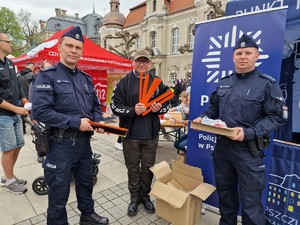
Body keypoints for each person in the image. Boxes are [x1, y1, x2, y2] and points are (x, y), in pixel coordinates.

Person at [193, 34, 287, 225]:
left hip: (248, 153)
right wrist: (203, 118)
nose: (243, 56)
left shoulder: (266, 84)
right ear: (233, 57)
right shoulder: (224, 82)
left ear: (256, 56)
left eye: (247, 53)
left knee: (251, 204)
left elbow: (277, 117)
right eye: (239, 53)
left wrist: (249, 132)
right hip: (222, 150)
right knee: (226, 196)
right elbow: (213, 109)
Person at [32, 26, 109, 225]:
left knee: (85, 184)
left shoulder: (85, 79)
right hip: (60, 145)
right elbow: (40, 112)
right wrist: (76, 122)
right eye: (69, 46)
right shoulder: (46, 76)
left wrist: (98, 120)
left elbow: (95, 106)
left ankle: (87, 216)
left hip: (84, 145)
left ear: (82, 51)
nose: (74, 50)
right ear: (60, 48)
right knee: (59, 194)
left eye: (78, 47)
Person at [110, 49, 169, 217]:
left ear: (150, 63)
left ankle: (145, 196)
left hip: (151, 134)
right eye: (139, 61)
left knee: (149, 168)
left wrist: (159, 109)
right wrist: (132, 110)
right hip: (130, 135)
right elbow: (114, 106)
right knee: (133, 168)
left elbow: (167, 103)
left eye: (145, 61)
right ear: (133, 62)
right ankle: (134, 198)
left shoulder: (157, 82)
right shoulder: (124, 82)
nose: (142, 64)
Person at [0, 31, 29, 194]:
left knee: (18, 144)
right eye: (8, 41)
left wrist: (24, 101)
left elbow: (16, 87)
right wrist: (16, 108)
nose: (11, 44)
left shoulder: (10, 64)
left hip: (16, 113)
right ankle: (9, 181)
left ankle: (8, 175)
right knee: (9, 148)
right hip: (3, 116)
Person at [18, 61, 35, 133]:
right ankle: (34, 127)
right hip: (29, 97)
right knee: (33, 113)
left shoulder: (18, 74)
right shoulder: (32, 74)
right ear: (32, 67)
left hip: (20, 97)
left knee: (22, 113)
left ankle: (23, 129)